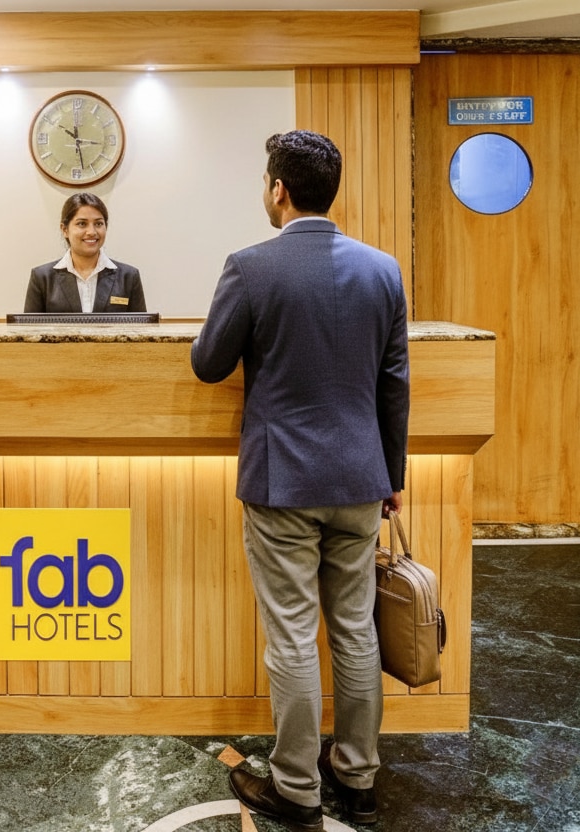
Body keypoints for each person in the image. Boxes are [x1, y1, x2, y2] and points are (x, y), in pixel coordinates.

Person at [191, 131, 409, 832]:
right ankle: (359, 777)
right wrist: (392, 475)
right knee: (355, 630)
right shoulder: (383, 270)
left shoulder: (251, 266)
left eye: (266, 181)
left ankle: (296, 789)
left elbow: (208, 363)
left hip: (283, 482)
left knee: (291, 637)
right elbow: (394, 383)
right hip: (360, 479)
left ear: (278, 190)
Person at [24, 192, 146, 313]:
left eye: (98, 224)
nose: (91, 232)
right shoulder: (42, 278)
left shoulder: (129, 277)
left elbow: (141, 325)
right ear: (65, 229)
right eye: (82, 224)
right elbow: (29, 326)